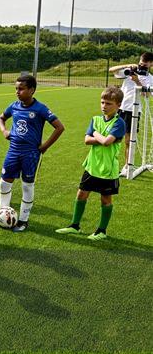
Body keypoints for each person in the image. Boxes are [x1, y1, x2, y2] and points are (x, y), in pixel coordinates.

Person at [0, 74, 64, 232]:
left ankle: (23, 220)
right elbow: (1, 118)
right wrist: (4, 131)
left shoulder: (40, 108)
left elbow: (59, 127)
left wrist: (45, 146)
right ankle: (3, 214)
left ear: (32, 90)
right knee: (4, 182)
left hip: (31, 154)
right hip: (13, 151)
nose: (17, 92)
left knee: (27, 186)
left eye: (21, 89)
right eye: (16, 88)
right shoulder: (14, 106)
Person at [56, 86, 125, 241]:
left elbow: (107, 142)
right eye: (102, 102)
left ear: (118, 105)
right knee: (81, 194)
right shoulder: (95, 119)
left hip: (107, 169)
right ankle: (74, 226)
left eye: (109, 104)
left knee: (105, 199)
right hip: (91, 166)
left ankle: (101, 231)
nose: (104, 106)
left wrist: (95, 133)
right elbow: (86, 141)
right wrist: (98, 137)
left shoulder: (119, 123)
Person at [108, 52, 153, 176]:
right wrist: (128, 66)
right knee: (113, 138)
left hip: (133, 110)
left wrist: (137, 81)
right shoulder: (131, 70)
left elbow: (147, 95)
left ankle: (127, 167)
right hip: (119, 108)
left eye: (144, 65)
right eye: (140, 63)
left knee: (128, 140)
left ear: (151, 64)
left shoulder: (150, 79)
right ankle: (112, 164)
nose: (141, 66)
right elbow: (111, 70)